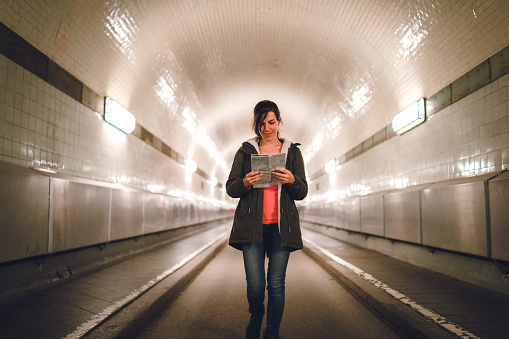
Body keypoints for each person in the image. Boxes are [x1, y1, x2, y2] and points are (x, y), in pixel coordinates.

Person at [226, 100, 308, 339]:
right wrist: (245, 182)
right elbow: (231, 188)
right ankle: (256, 312)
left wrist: (292, 180)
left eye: (271, 122)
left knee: (276, 284)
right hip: (252, 226)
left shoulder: (292, 151)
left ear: (279, 121)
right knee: (255, 286)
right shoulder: (245, 151)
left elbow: (302, 192)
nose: (267, 128)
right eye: (261, 123)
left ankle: (271, 333)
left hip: (281, 228)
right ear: (256, 124)